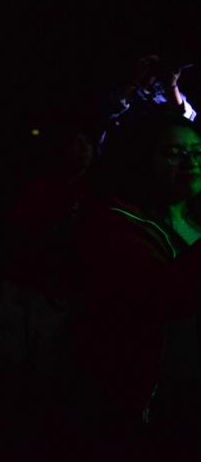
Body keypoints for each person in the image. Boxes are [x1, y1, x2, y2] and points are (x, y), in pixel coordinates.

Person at [72, 112, 201, 457]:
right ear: (143, 158)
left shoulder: (195, 216)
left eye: (196, 151)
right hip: (152, 404)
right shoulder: (119, 223)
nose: (190, 162)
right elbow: (164, 296)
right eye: (173, 153)